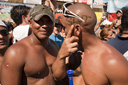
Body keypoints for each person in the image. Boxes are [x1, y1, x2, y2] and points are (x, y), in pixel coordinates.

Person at [52, 3, 128, 85]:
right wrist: (61, 55)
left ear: (77, 29)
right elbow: (57, 76)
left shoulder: (113, 62)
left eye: (64, 27)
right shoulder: (73, 50)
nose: (62, 31)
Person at [1, 4, 60, 85]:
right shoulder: (16, 52)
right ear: (30, 23)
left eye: (49, 22)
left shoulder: (54, 46)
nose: (45, 26)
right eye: (39, 21)